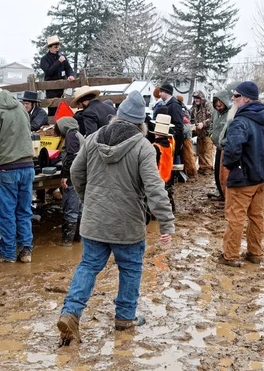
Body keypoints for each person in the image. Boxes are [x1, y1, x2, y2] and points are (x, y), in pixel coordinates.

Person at [57, 90, 174, 345]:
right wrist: (166, 222)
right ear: (141, 123)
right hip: (127, 223)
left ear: (117, 117)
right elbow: (155, 187)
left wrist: (87, 198)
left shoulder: (94, 137)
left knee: (88, 266)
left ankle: (71, 312)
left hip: (94, 220)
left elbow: (76, 172)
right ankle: (125, 318)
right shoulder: (143, 146)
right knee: (130, 269)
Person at [217, 81, 264, 267]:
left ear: (246, 98)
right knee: (256, 216)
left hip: (243, 178)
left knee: (235, 217)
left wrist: (230, 166)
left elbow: (232, 149)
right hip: (260, 177)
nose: (232, 98)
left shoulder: (241, 121)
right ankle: (255, 252)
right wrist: (263, 161)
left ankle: (230, 255)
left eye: (236, 95)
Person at [0, 87, 35, 263]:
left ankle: (8, 254)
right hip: (28, 166)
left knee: (7, 213)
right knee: (24, 211)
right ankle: (26, 250)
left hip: (6, 168)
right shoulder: (20, 108)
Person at [53, 116, 84, 246]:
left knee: (70, 208)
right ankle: (79, 240)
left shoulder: (71, 136)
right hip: (81, 177)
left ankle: (66, 242)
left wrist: (65, 176)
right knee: (79, 209)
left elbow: (71, 157)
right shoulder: (78, 135)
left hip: (73, 177)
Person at [208, 90, 231, 201]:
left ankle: (226, 194)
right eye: (216, 105)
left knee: (225, 173)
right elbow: (212, 124)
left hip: (226, 148)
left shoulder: (231, 114)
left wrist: (225, 142)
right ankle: (220, 191)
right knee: (217, 171)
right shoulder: (215, 113)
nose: (218, 107)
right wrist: (211, 134)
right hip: (217, 146)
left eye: (220, 105)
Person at [152, 112, 176, 212]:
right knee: (167, 196)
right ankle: (171, 209)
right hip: (168, 176)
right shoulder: (171, 144)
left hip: (158, 179)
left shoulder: (155, 147)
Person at [158, 84, 184, 164]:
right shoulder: (167, 104)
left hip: (173, 140)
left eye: (161, 92)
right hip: (169, 139)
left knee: (172, 162)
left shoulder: (174, 105)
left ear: (167, 92)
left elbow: (179, 125)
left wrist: (171, 134)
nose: (159, 94)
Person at [190, 91, 214, 174]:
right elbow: (191, 116)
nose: (196, 99)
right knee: (200, 151)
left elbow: (213, 118)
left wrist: (203, 124)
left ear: (201, 98)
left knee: (207, 150)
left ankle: (208, 168)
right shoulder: (194, 106)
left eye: (197, 98)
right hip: (199, 133)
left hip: (208, 132)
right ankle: (202, 167)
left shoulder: (208, 105)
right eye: (195, 98)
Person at [177, 95, 197, 178]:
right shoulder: (185, 108)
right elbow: (191, 120)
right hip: (188, 131)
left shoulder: (179, 109)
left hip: (184, 132)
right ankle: (190, 171)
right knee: (188, 153)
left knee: (187, 154)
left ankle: (191, 172)